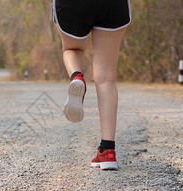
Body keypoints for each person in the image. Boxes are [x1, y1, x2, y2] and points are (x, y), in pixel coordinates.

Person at [52, 0, 131, 170]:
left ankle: (77, 76)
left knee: (73, 49)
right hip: (113, 6)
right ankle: (108, 150)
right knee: (106, 78)